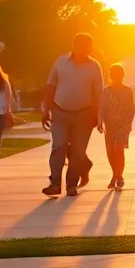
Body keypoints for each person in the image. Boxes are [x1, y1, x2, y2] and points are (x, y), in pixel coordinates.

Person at [41, 33, 105, 197]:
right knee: (59, 145)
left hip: (84, 113)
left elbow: (99, 93)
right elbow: (50, 85)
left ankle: (71, 184)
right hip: (60, 111)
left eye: (88, 46)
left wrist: (99, 116)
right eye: (82, 45)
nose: (85, 49)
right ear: (75, 45)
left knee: (78, 151)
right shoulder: (61, 62)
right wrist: (45, 109)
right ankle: (55, 183)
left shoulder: (94, 66)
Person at [100, 63, 135, 189]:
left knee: (119, 150)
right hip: (109, 125)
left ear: (123, 75)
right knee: (110, 151)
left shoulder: (127, 91)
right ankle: (115, 174)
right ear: (111, 76)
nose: (117, 77)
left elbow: (131, 108)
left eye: (119, 75)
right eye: (114, 75)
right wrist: (100, 121)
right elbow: (102, 108)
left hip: (122, 124)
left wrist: (129, 124)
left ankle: (118, 176)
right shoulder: (106, 91)